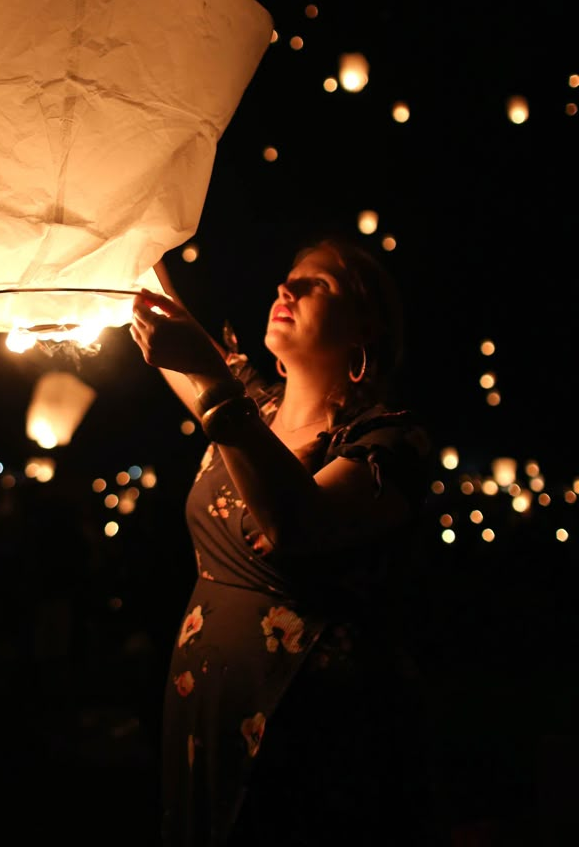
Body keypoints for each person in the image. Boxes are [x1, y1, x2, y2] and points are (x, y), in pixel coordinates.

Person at [129, 231, 444, 846]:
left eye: (318, 284)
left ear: (366, 331)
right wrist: (129, 225)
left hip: (307, 727)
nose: (287, 287)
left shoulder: (389, 444)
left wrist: (212, 381)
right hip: (205, 704)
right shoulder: (252, 406)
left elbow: (297, 527)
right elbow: (154, 300)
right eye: (289, 276)